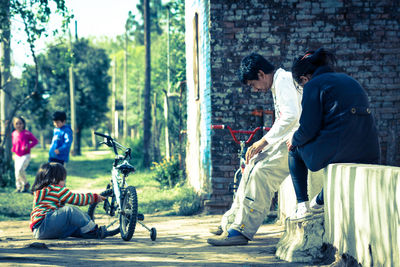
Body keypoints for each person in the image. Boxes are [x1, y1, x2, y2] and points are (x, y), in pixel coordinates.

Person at [207, 53, 302, 246]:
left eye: (253, 84)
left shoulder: (283, 80)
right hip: (288, 140)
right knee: (251, 164)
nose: (255, 89)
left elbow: (291, 117)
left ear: (261, 74)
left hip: (299, 142)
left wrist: (263, 142)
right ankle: (231, 221)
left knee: (261, 173)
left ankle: (242, 230)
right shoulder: (278, 83)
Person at [287, 48, 380, 221]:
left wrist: (293, 138)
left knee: (294, 150)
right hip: (370, 152)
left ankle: (302, 206)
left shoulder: (313, 86)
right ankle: (321, 200)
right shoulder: (350, 80)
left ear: (304, 78)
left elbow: (308, 129)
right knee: (336, 160)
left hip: (340, 149)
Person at [30, 162, 107, 239]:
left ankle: (86, 232)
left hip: (39, 231)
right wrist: (94, 197)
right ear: (54, 179)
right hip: (45, 225)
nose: (64, 182)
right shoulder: (56, 189)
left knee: (73, 224)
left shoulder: (42, 192)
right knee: (70, 211)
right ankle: (92, 230)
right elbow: (76, 199)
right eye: (63, 179)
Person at [11, 116, 38, 193]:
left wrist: (28, 146)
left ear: (23, 124)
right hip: (17, 155)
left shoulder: (27, 133)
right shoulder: (14, 133)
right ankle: (19, 187)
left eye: (20, 123)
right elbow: (15, 143)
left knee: (20, 170)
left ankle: (26, 184)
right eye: (17, 123)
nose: (19, 125)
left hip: (25, 155)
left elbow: (35, 141)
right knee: (17, 172)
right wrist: (13, 149)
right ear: (14, 125)